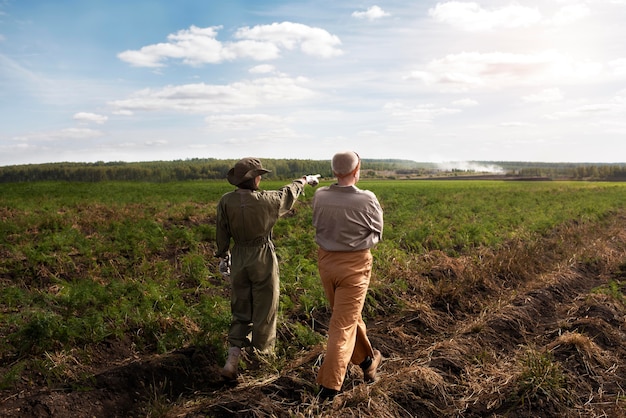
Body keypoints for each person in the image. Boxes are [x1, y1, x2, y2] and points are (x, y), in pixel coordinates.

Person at [215, 157, 320, 380]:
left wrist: (224, 257)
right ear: (254, 179)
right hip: (262, 256)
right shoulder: (267, 200)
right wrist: (305, 180)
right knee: (265, 309)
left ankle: (232, 359)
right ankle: (261, 361)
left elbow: (222, 233)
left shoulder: (226, 201)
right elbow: (288, 193)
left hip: (239, 257)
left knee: (240, 308)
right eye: (259, 175)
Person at [312, 150, 384, 400]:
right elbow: (377, 233)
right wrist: (358, 241)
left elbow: (317, 224)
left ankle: (367, 362)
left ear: (334, 172)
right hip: (354, 266)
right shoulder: (366, 199)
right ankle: (329, 387)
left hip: (326, 263)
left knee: (348, 317)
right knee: (342, 325)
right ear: (357, 171)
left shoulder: (320, 195)